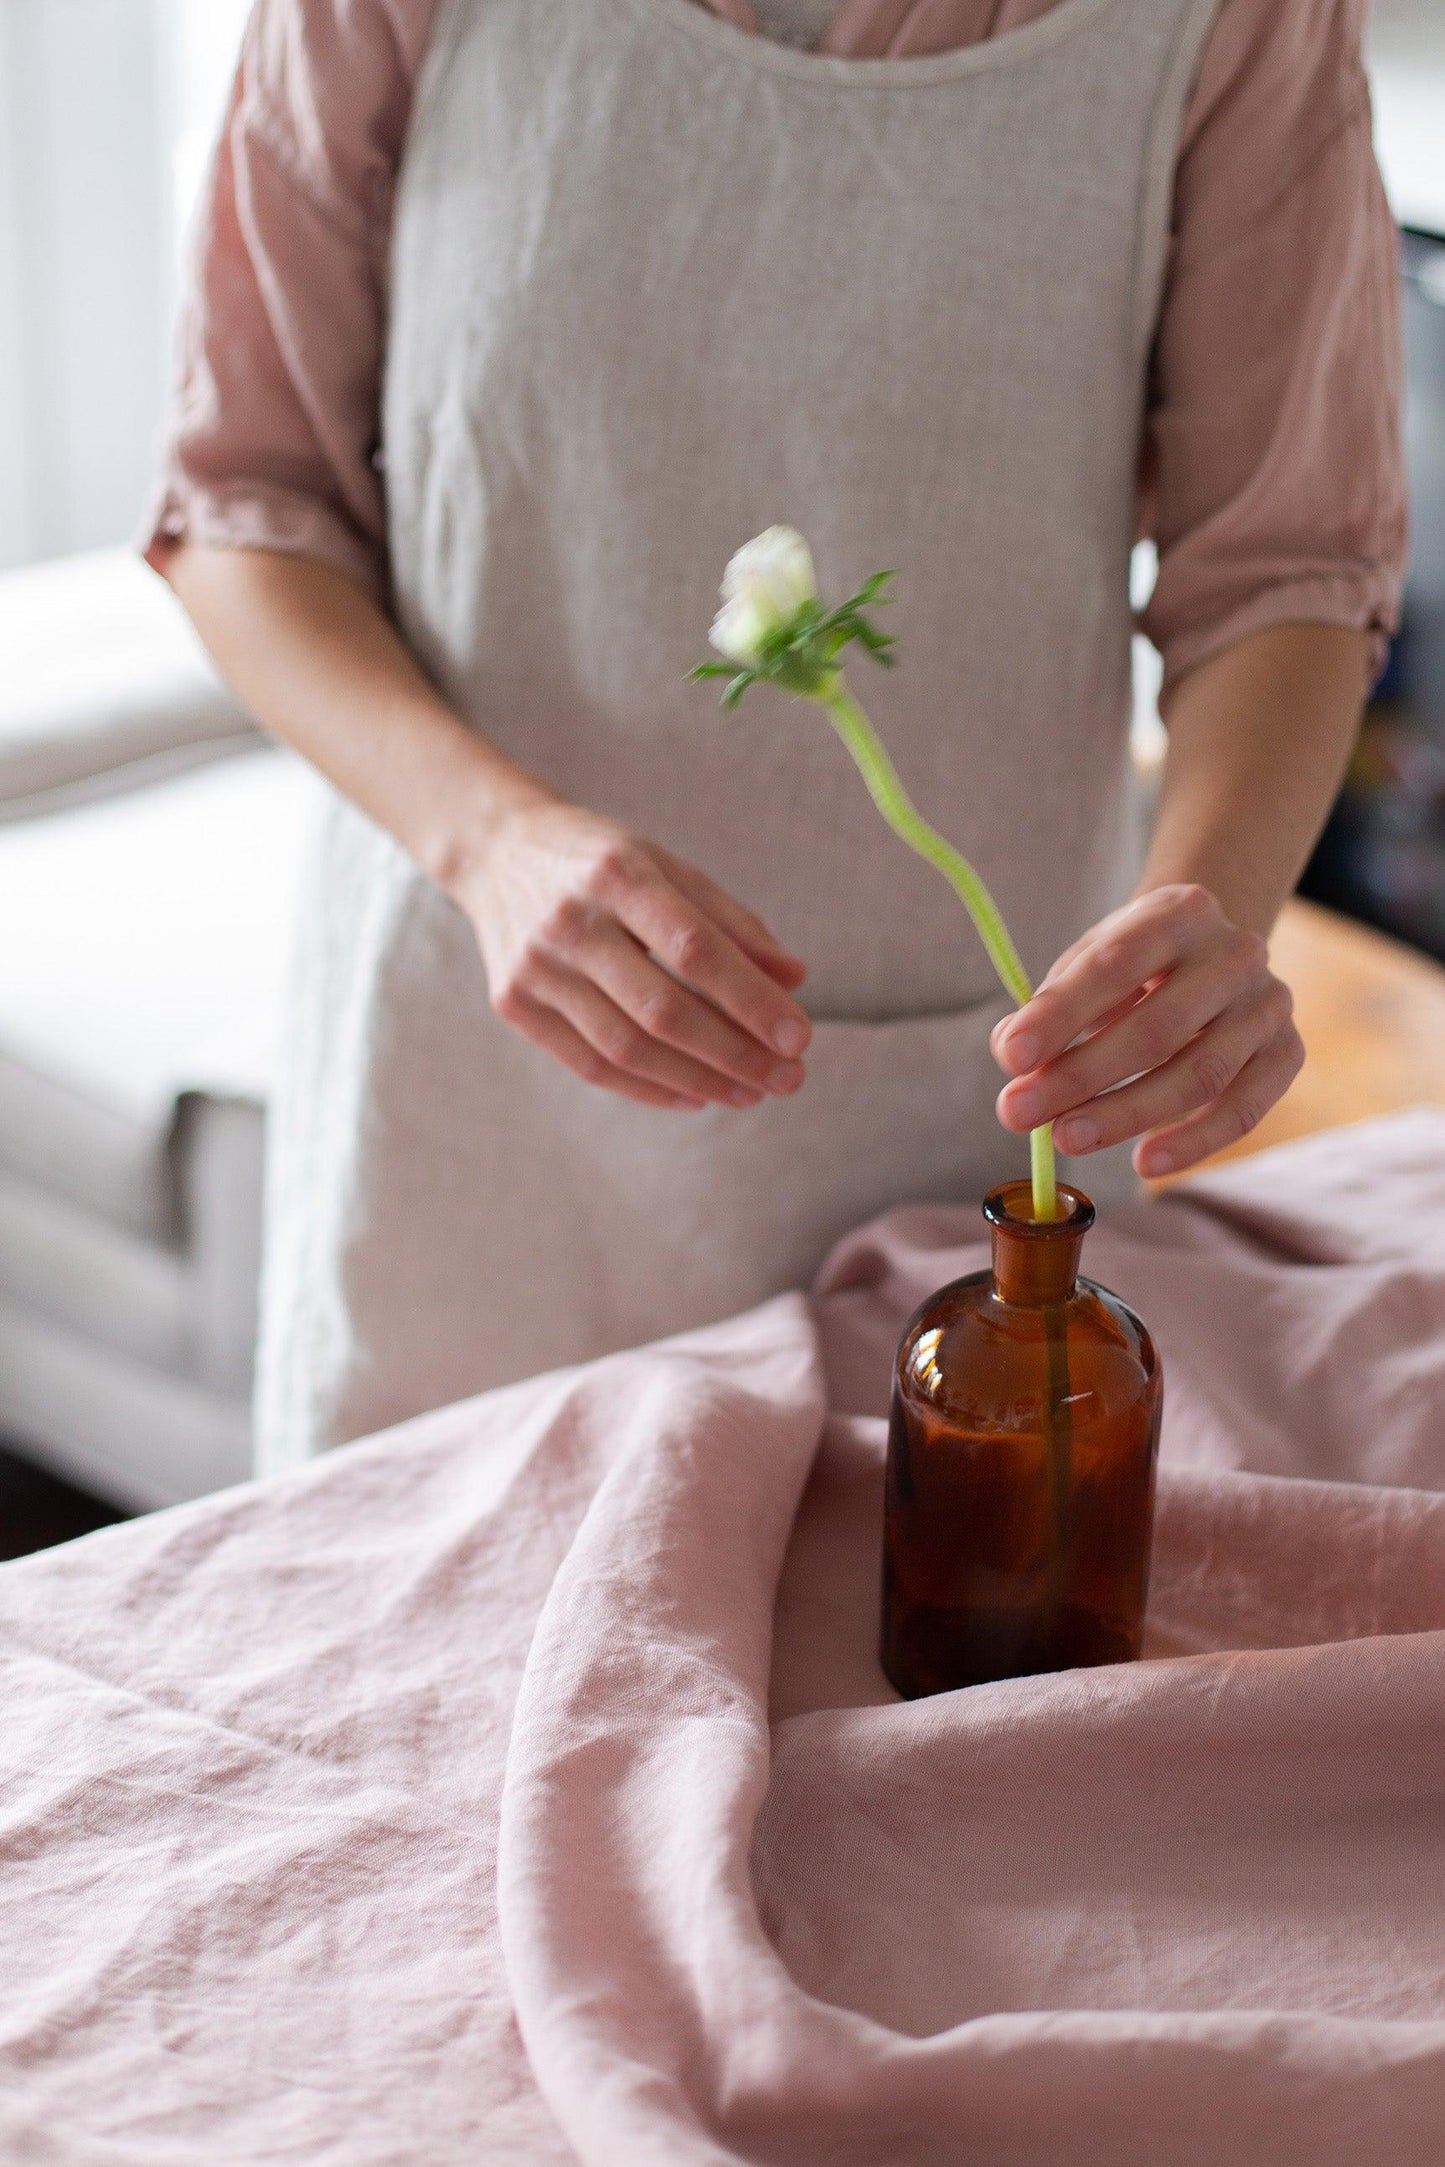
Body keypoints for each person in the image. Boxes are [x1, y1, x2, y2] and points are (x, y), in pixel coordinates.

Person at [148, 0, 1404, 1465]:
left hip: (967, 1124)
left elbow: (1280, 570)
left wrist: (1210, 920)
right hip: (470, 1120)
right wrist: (490, 842)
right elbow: (242, 506)